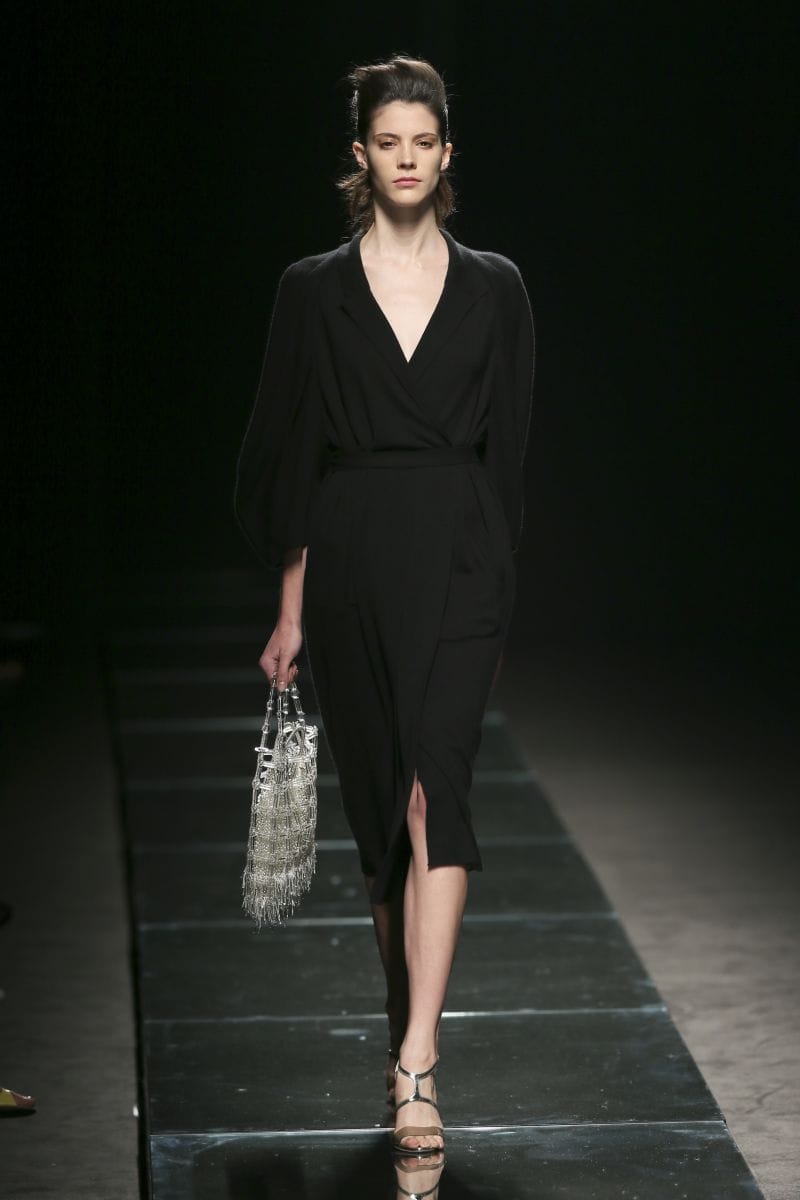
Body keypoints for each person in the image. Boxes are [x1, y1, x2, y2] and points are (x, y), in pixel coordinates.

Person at [233, 54, 535, 1157]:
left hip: (461, 557)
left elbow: (510, 454)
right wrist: (290, 611)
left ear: (447, 155)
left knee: (429, 792)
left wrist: (500, 579)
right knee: (379, 821)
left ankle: (417, 1062)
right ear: (361, 154)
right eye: (387, 142)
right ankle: (400, 1030)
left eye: (424, 142)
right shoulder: (311, 291)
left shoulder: (496, 287)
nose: (406, 159)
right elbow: (291, 459)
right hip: (352, 557)